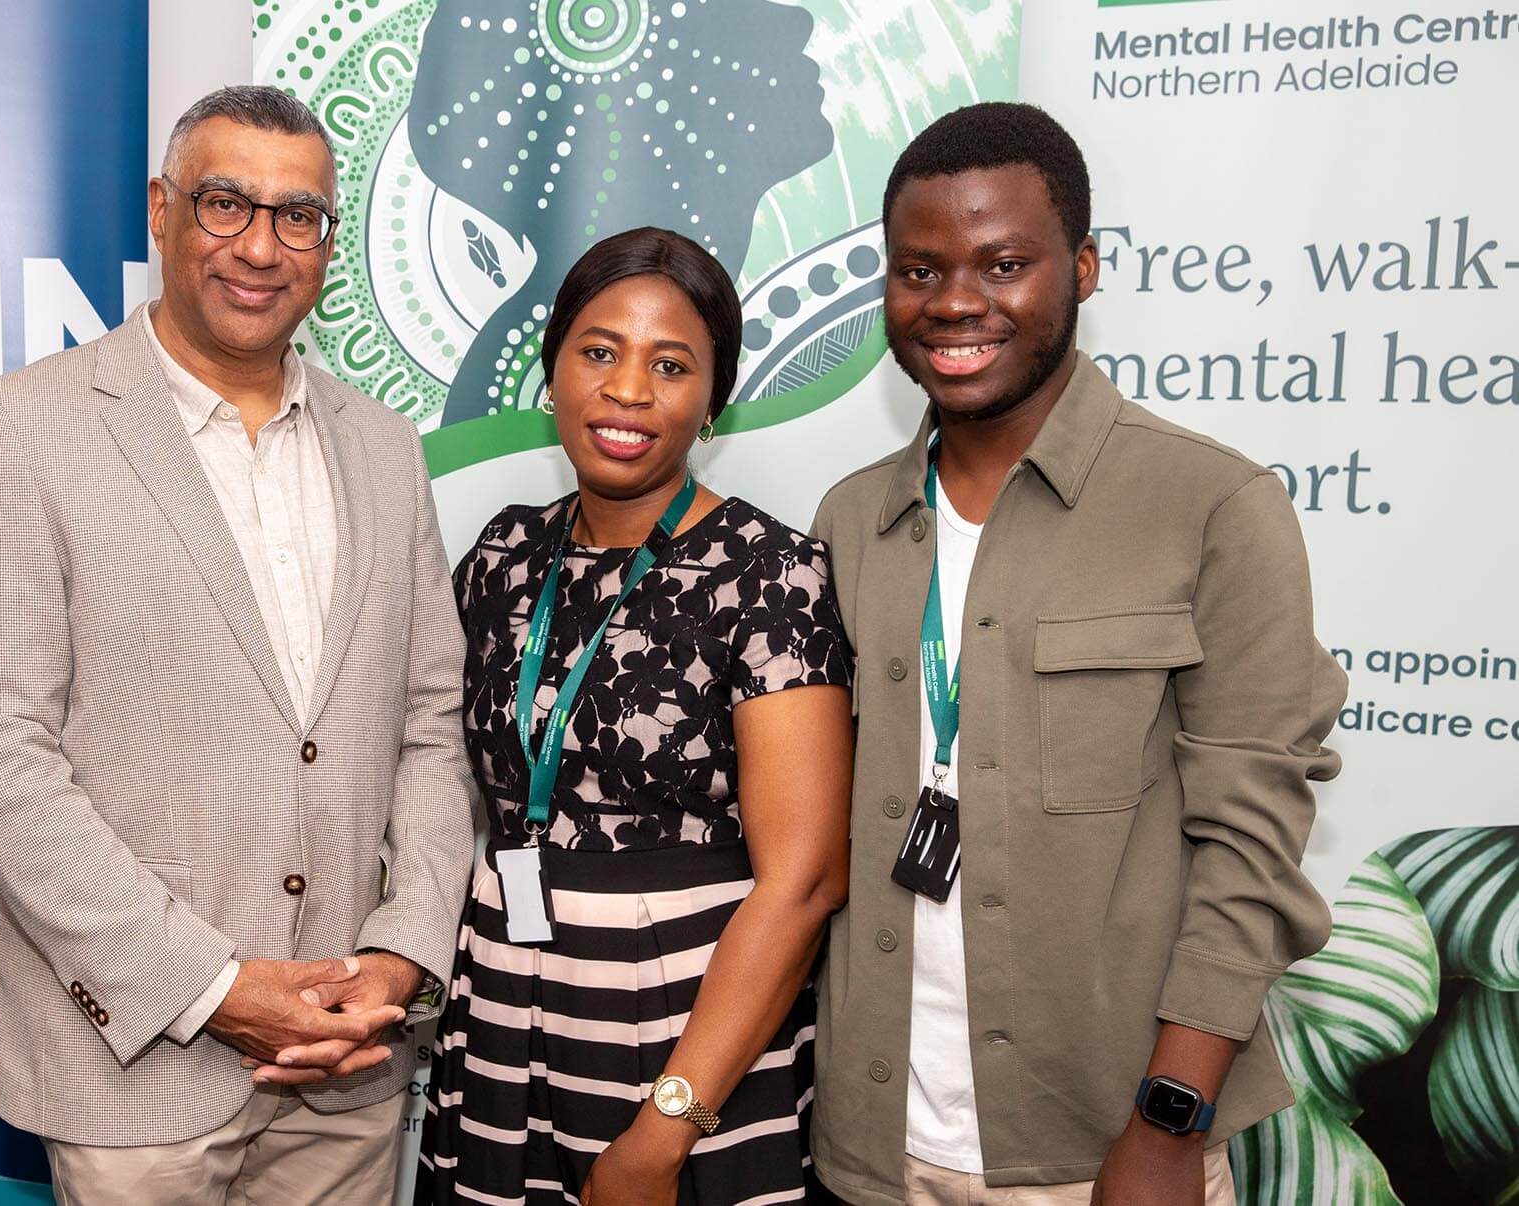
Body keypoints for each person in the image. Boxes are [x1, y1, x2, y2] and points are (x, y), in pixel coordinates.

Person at [0, 85, 475, 1205]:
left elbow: (430, 725)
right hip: (140, 1058)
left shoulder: (382, 446)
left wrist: (403, 951)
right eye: (226, 204)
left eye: (298, 216)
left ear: (327, 241)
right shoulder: (19, 429)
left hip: (349, 1055)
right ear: (161, 211)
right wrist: (214, 986)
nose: (260, 248)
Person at [809, 103, 1348, 1206]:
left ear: (1086, 267)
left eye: (1004, 263)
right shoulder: (849, 521)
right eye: (918, 270)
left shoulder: (1213, 507)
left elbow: (1251, 846)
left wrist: (1166, 1125)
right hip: (872, 1145)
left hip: (1101, 1151)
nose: (956, 302)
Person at [415, 226, 855, 1205]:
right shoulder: (502, 555)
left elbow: (806, 881)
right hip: (499, 1009)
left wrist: (665, 1134)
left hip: (692, 1039)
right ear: (554, 367)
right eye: (600, 351)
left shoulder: (768, 573)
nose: (627, 391)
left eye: (670, 365)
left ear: (713, 397)